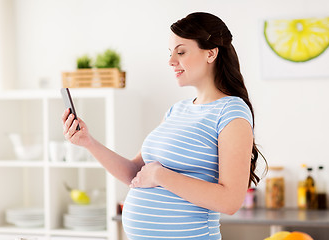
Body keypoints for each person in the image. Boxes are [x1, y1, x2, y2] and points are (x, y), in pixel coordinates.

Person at [62, 12, 265, 240]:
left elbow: (230, 201)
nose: (171, 61)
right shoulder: (176, 110)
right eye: (170, 54)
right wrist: (88, 142)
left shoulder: (231, 112)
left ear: (211, 53)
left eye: (181, 52)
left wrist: (160, 175)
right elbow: (135, 174)